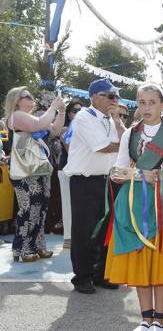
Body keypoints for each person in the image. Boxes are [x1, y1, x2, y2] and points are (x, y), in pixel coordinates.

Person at [104, 83, 163, 331]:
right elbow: (120, 167)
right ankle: (145, 318)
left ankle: (160, 320)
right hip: (134, 201)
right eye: (142, 102)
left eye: (152, 102)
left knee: (159, 260)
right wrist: (117, 175)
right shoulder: (130, 134)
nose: (147, 107)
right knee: (140, 258)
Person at [63, 79, 126, 294]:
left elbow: (119, 141)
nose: (115, 100)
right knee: (85, 230)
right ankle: (82, 276)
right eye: (110, 96)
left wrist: (117, 118)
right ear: (95, 97)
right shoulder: (84, 117)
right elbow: (104, 147)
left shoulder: (108, 119)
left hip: (107, 180)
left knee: (106, 229)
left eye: (116, 97)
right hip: (85, 180)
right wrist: (126, 146)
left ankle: (101, 274)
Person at [4, 87, 65, 262]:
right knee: (29, 209)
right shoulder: (16, 116)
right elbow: (38, 125)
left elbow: (54, 130)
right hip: (24, 171)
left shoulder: (33, 117)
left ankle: (37, 246)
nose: (32, 98)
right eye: (27, 96)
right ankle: (24, 248)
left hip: (40, 169)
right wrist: (53, 108)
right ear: (17, 101)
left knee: (41, 210)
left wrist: (61, 112)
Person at [58, 100, 83, 249]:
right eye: (75, 110)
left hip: (80, 171)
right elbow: (71, 150)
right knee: (67, 204)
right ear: (69, 113)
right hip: (67, 169)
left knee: (79, 206)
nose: (79, 113)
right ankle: (68, 238)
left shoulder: (84, 128)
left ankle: (77, 237)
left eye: (81, 110)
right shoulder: (65, 129)